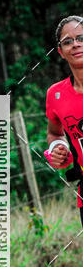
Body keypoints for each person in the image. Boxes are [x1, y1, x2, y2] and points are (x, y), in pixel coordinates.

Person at [45, 15, 83, 227]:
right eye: (68, 41)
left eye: (81, 38)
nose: (75, 44)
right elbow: (55, 132)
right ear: (60, 51)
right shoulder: (55, 94)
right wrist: (58, 146)